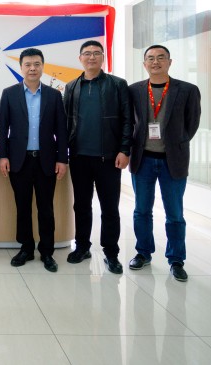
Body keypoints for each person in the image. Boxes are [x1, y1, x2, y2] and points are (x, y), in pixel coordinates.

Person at [128, 45, 201, 282]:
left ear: (170, 62)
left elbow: (191, 124)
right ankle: (143, 253)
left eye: (161, 58)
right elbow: (129, 123)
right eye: (150, 58)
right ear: (144, 64)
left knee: (175, 213)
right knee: (141, 210)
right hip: (143, 160)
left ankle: (176, 260)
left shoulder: (187, 90)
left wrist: (175, 143)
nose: (155, 62)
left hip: (173, 161)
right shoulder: (134, 90)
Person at [63, 40, 132, 275]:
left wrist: (125, 149)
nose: (91, 57)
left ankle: (111, 252)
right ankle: (82, 246)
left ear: (103, 57)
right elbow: (64, 123)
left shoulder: (117, 84)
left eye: (96, 53)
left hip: (109, 158)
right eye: (87, 53)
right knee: (81, 205)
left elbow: (127, 120)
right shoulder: (71, 87)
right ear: (80, 58)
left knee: (109, 207)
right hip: (79, 157)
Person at [0, 48, 68, 272]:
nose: (32, 68)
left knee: (46, 208)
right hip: (20, 161)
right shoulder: (9, 94)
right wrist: (3, 156)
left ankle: (47, 252)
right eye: (27, 64)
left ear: (42, 67)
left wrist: (62, 159)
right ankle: (26, 248)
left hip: (46, 160)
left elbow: (61, 130)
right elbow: (2, 128)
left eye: (36, 64)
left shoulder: (54, 95)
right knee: (23, 206)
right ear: (21, 68)